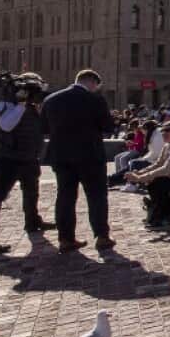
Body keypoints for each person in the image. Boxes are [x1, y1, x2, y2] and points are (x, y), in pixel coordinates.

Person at [0, 75, 53, 256]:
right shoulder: (5, 103)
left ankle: (33, 221)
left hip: (27, 157)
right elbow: (7, 125)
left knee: (31, 192)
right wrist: (22, 102)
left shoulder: (27, 106)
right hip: (8, 159)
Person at [42, 69, 117, 252]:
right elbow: (108, 126)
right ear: (92, 82)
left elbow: (43, 128)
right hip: (90, 155)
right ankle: (101, 236)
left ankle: (66, 239)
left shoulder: (51, 99)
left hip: (61, 156)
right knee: (97, 196)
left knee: (65, 197)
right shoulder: (95, 100)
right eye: (96, 86)